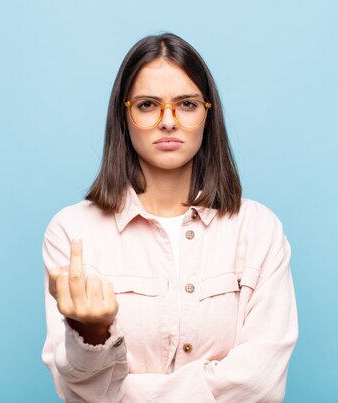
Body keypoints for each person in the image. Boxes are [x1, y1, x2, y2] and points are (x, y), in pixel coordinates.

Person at [41, 32, 298, 403]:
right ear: (123, 115)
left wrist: (125, 391)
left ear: (208, 114)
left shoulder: (259, 229)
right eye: (147, 105)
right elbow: (76, 388)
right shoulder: (72, 231)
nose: (168, 121)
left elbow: (259, 384)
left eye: (187, 104)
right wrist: (93, 332)